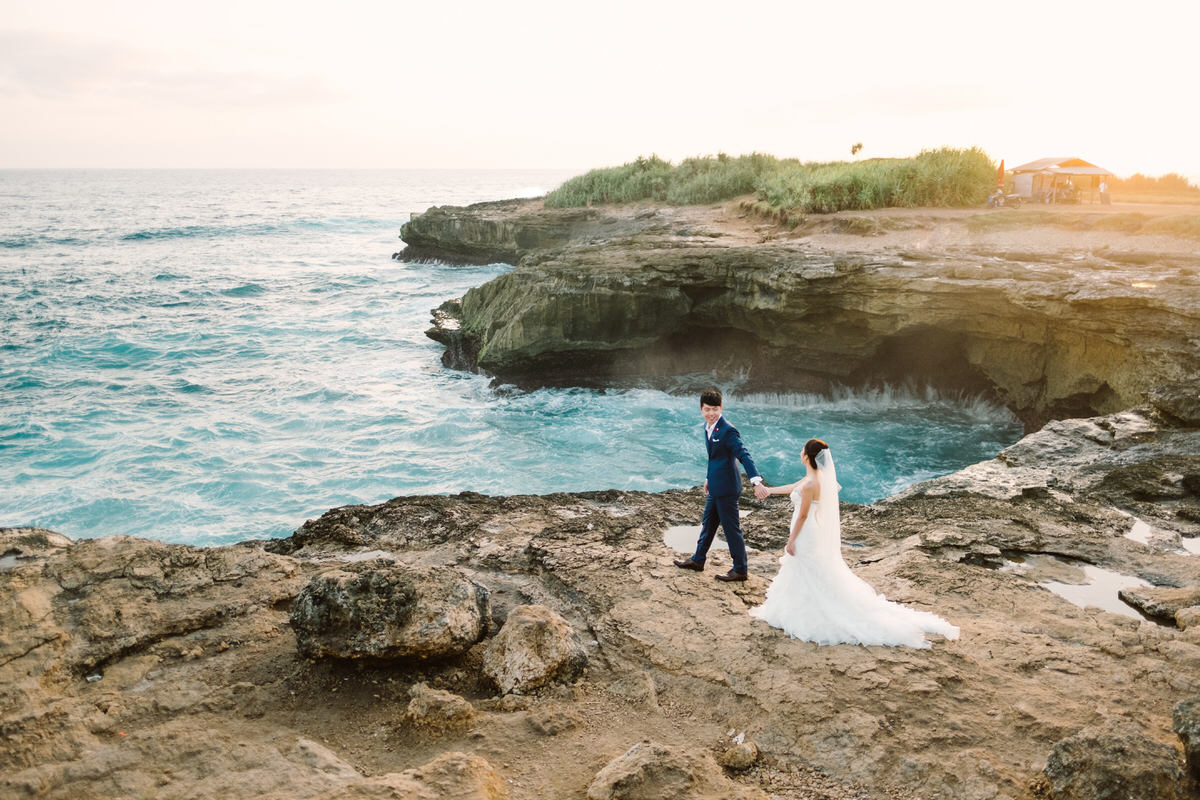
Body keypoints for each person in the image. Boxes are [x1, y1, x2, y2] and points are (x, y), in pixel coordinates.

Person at [749, 439, 960, 648]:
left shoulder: (812, 482)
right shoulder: (816, 477)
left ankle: (810, 612)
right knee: (809, 571)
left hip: (805, 531)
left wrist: (791, 539)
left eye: (802, 448)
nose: (800, 450)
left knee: (805, 569)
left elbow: (803, 515)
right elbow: (793, 488)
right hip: (811, 529)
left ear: (807, 456)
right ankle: (798, 607)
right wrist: (768, 490)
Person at [674, 388, 768, 582]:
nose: (711, 413)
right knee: (708, 525)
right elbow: (715, 458)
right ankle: (698, 560)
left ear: (721, 408)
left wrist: (756, 481)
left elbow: (743, 454)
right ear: (701, 409)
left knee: (731, 529)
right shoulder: (708, 427)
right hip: (716, 485)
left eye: (715, 409)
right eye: (707, 409)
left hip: (727, 488)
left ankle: (740, 569)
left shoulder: (728, 430)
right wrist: (709, 478)